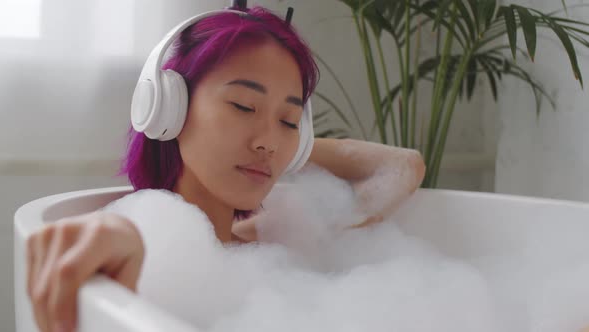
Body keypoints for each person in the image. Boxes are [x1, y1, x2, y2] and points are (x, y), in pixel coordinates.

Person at [25, 5, 425, 332]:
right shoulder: (139, 240)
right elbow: (118, 250)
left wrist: (295, 150)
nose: (270, 139)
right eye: (243, 106)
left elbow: (403, 167)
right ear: (170, 109)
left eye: (289, 122)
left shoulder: (281, 239)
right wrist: (116, 234)